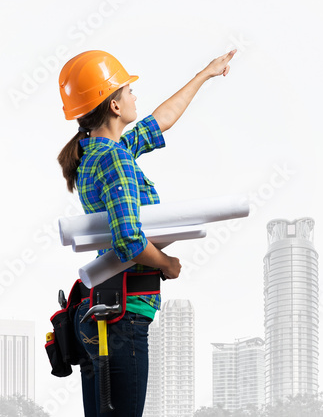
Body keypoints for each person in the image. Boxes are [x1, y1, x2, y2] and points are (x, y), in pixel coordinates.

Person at [56, 48, 236, 416]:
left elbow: (160, 121)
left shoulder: (97, 152)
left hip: (96, 313)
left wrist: (205, 73)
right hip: (122, 316)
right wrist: (168, 264)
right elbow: (129, 240)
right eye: (127, 90)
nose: (135, 95)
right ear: (115, 106)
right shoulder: (115, 158)